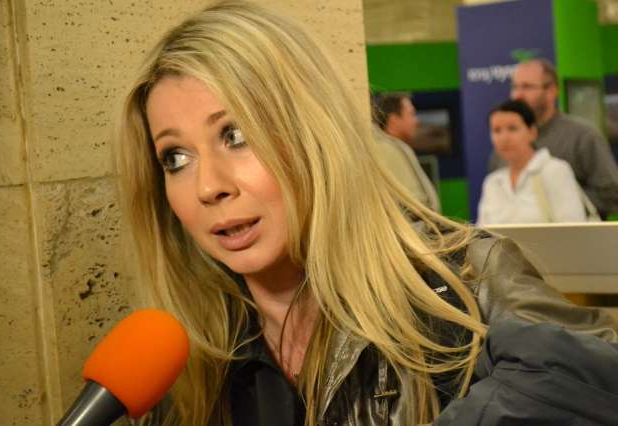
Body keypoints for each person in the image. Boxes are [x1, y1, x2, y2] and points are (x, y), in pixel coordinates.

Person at [116, 2, 618, 425]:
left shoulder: (468, 284)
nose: (208, 186)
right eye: (175, 158)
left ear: (313, 132)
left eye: (236, 134)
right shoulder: (188, 373)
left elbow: (600, 379)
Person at [489, 58, 618, 218]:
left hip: (572, 232)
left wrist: (559, 201)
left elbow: (611, 193)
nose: (517, 95)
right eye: (515, 87)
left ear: (551, 91)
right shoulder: (502, 149)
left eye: (527, 87)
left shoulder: (582, 135)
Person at [477, 100, 587, 225]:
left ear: (532, 132)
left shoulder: (555, 171)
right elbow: (482, 231)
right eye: (497, 130)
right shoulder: (492, 182)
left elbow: (573, 228)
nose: (504, 138)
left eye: (512, 128)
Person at [372, 94, 441, 212]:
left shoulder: (391, 148)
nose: (416, 121)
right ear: (394, 120)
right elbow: (415, 204)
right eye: (411, 114)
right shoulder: (389, 150)